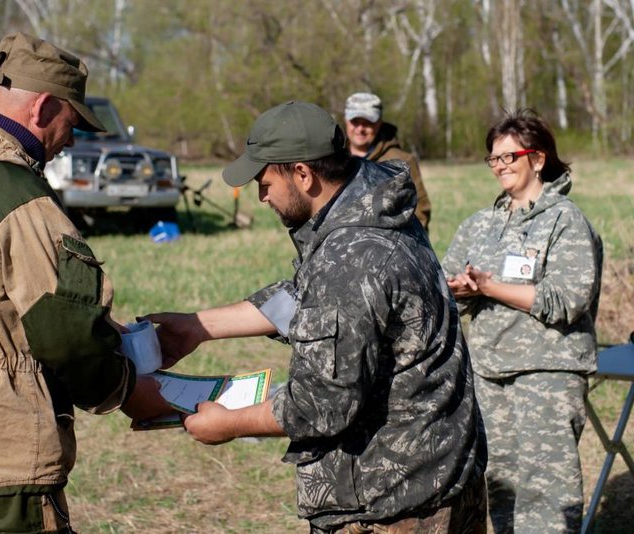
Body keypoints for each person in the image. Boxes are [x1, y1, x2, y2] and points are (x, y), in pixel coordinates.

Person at [144, 101, 486, 533]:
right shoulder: (374, 207)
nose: (261, 196)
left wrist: (227, 424)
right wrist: (199, 327)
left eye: (264, 181)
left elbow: (320, 404)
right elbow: (313, 300)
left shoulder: (352, 256)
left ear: (303, 174)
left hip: (393, 502)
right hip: (440, 470)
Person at [0, 32, 169, 533]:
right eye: (72, 122)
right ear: (42, 108)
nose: (73, 140)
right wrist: (128, 388)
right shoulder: (15, 195)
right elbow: (67, 335)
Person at [441, 109, 603, 534]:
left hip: (548, 373)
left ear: (538, 159)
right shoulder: (480, 225)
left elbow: (567, 300)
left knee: (547, 500)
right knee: (504, 491)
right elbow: (448, 294)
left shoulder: (565, 221)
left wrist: (491, 287)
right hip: (490, 373)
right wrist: (459, 289)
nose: (501, 167)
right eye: (494, 159)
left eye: (510, 157)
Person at [344, 92, 432, 231]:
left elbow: (420, 210)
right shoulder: (334, 159)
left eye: (367, 122)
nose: (360, 129)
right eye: (355, 122)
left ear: (379, 122)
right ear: (346, 121)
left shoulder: (402, 161)